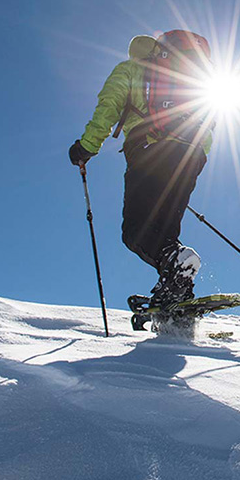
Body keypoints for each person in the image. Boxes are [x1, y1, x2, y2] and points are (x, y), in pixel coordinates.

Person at [69, 30, 215, 323]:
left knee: (136, 232)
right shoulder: (188, 76)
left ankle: (176, 270)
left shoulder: (131, 70)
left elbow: (108, 107)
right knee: (165, 232)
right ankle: (178, 292)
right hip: (192, 154)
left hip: (150, 150)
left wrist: (86, 147)